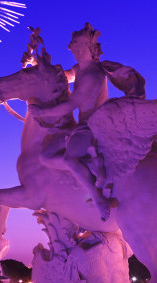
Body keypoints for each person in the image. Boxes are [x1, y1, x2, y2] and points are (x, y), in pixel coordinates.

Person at [30, 23, 145, 221]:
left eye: (79, 48)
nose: (75, 51)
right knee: (45, 156)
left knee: (69, 159)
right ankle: (90, 165)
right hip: (80, 127)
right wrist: (37, 65)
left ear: (90, 50)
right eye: (74, 48)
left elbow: (71, 104)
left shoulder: (93, 75)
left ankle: (98, 198)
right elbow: (63, 78)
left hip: (92, 128)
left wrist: (43, 110)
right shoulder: (79, 70)